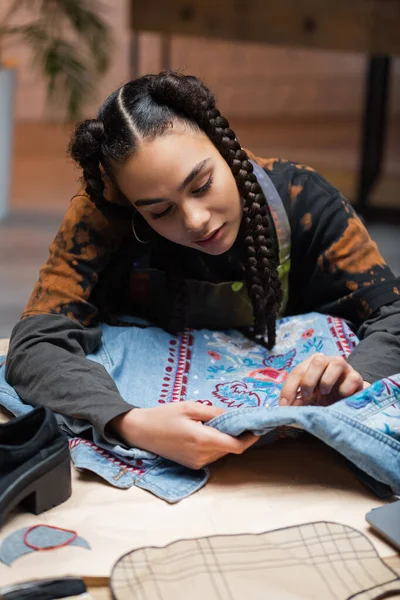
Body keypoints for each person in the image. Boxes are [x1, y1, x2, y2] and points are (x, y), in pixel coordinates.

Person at [5, 71, 400, 470]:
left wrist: (352, 378)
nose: (195, 220)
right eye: (160, 211)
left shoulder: (306, 202)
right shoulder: (106, 217)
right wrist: (131, 422)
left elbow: (393, 315)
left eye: (202, 185)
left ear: (226, 148)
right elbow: (35, 345)